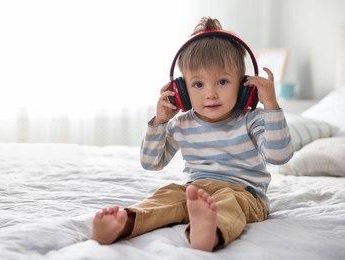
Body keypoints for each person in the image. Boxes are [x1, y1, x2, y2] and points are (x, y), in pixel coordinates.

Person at [91, 17, 293, 252]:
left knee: (228, 202)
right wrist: (160, 122)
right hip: (196, 191)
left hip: (244, 193)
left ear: (244, 86)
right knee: (169, 194)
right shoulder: (182, 123)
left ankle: (209, 230)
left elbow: (279, 156)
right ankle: (126, 222)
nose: (211, 94)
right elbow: (151, 163)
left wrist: (270, 105)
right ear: (180, 91)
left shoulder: (252, 120)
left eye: (223, 81)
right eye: (198, 85)